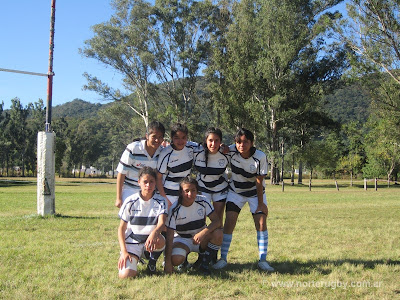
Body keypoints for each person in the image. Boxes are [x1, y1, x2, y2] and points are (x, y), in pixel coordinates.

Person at [213, 128, 274, 272]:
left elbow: (259, 181)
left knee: (261, 223)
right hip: (236, 192)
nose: (241, 145)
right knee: (229, 222)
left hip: (255, 193)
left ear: (252, 143)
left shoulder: (260, 156)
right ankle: (223, 258)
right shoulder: (231, 150)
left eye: (245, 142)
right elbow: (217, 148)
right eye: (239, 142)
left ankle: (263, 260)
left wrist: (260, 204)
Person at [164, 177, 223, 275]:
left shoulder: (203, 201)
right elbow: (169, 237)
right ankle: (184, 261)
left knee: (219, 233)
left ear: (197, 191)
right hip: (182, 240)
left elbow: (217, 221)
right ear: (181, 193)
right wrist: (168, 262)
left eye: (193, 190)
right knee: (176, 259)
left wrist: (203, 233)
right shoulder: (174, 209)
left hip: (201, 238)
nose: (190, 194)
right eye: (186, 191)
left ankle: (204, 264)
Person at [117, 167, 167, 278]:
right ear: (139, 182)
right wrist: (124, 251)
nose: (148, 185)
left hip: (150, 243)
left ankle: (152, 263)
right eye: (145, 182)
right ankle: (134, 260)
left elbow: (161, 223)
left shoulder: (161, 201)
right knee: (125, 275)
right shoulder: (130, 201)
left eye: (151, 182)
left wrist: (154, 233)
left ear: (155, 183)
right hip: (132, 244)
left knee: (159, 239)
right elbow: (121, 228)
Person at [115, 121, 165, 208]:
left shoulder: (162, 152)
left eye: (160, 137)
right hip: (130, 190)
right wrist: (118, 198)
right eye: (154, 137)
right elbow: (121, 173)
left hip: (151, 192)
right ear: (147, 136)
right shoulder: (133, 148)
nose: (157, 140)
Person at [156, 123, 198, 208]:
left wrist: (222, 147)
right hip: (169, 195)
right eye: (176, 138)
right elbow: (158, 177)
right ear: (171, 138)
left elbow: (207, 147)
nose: (180, 141)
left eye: (183, 138)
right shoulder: (166, 153)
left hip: (185, 195)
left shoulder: (191, 147)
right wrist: (165, 199)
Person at [193, 127, 229, 224]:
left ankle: (217, 239)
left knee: (217, 220)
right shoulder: (197, 152)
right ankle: (202, 239)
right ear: (206, 140)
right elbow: (184, 145)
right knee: (200, 219)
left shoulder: (226, 153)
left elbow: (239, 149)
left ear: (220, 141)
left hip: (220, 189)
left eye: (216, 140)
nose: (213, 144)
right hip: (202, 188)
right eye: (210, 140)